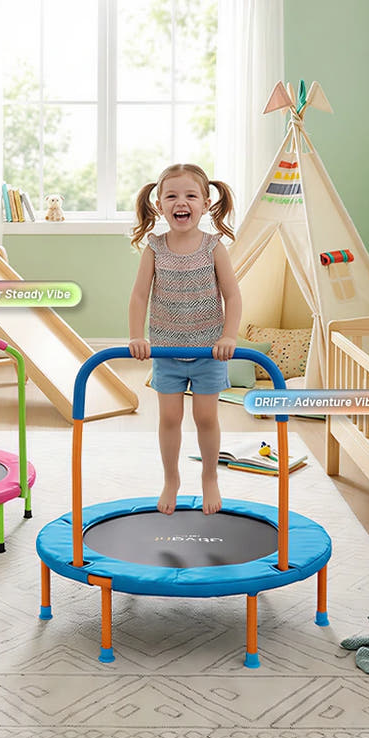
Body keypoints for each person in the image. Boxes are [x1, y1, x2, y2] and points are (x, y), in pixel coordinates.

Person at [128, 164, 242, 516]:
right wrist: (137, 336)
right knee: (170, 418)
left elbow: (233, 296)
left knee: (206, 417)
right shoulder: (155, 249)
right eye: (172, 196)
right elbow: (138, 297)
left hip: (209, 350)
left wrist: (229, 336)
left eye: (191, 195)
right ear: (160, 205)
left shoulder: (213, 247)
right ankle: (171, 478)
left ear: (206, 203)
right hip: (167, 350)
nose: (182, 202)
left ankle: (210, 476)